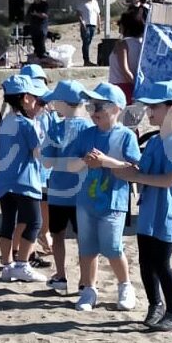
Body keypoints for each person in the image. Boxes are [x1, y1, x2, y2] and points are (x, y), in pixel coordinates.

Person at [90, 81, 172, 333]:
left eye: (154, 108)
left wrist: (135, 177)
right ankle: (155, 305)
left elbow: (169, 179)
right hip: (148, 212)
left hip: (167, 214)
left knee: (161, 263)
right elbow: (137, 170)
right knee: (146, 262)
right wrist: (107, 162)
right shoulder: (157, 141)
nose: (149, 113)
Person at [69, 83, 140, 311]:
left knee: (112, 247)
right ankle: (89, 290)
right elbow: (70, 166)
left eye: (100, 105)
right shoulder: (85, 135)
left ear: (117, 109)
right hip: (85, 202)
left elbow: (134, 169)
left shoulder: (126, 135)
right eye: (91, 105)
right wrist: (85, 162)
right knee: (87, 248)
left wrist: (106, 162)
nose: (94, 110)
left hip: (114, 202)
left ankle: (125, 285)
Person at [0, 75, 47, 282]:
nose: (37, 102)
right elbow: (37, 152)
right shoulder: (26, 124)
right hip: (25, 181)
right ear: (25, 98)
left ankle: (7, 266)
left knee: (8, 221)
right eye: (35, 97)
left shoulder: (5, 122)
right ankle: (23, 264)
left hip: (4, 181)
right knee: (34, 222)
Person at [39, 80, 90, 296]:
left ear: (62, 103)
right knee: (83, 240)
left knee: (57, 235)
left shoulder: (56, 128)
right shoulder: (90, 128)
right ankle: (85, 281)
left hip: (59, 192)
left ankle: (60, 275)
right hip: (83, 193)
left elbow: (47, 162)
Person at [108, 9, 145, 105]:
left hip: (120, 88)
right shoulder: (142, 44)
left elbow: (125, 71)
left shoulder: (122, 44)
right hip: (134, 88)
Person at [79, 0, 101, 66]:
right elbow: (79, 13)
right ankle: (86, 60)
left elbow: (98, 14)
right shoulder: (83, 3)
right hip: (86, 25)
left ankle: (87, 60)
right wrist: (82, 23)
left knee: (89, 42)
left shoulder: (95, 2)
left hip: (93, 25)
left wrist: (99, 26)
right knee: (86, 42)